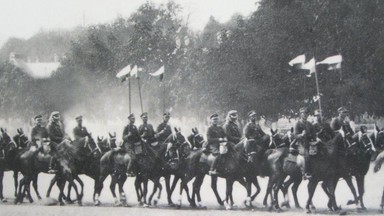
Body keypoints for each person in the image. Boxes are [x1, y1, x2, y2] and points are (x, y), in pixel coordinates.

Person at [294, 107, 316, 180]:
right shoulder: (297, 123)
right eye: (303, 113)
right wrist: (301, 135)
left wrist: (316, 138)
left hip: (310, 143)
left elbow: (314, 134)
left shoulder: (309, 124)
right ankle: (306, 173)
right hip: (301, 144)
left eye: (306, 113)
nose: (305, 115)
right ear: (300, 114)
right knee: (307, 155)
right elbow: (295, 135)